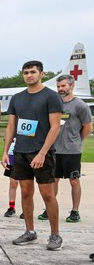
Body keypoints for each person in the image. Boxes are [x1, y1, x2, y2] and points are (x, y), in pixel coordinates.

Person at [0, 60, 64, 250]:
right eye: (26, 72)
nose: (29, 75)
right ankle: (30, 232)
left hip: (41, 152)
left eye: (33, 72)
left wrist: (43, 153)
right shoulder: (17, 98)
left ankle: (55, 235)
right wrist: (5, 151)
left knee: (47, 194)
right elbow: (11, 126)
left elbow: (55, 127)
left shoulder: (51, 97)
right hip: (20, 151)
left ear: (41, 74)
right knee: (26, 192)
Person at [47, 74, 92, 223]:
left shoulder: (80, 105)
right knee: (53, 180)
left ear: (72, 86)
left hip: (72, 150)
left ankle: (75, 211)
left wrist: (77, 141)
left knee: (74, 180)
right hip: (54, 149)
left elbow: (87, 127)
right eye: (59, 86)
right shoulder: (54, 104)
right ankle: (50, 208)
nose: (61, 89)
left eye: (64, 86)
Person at [3, 136, 22, 217]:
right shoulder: (13, 125)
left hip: (24, 154)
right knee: (13, 183)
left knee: (25, 184)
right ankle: (11, 207)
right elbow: (6, 137)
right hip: (12, 154)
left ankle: (26, 208)